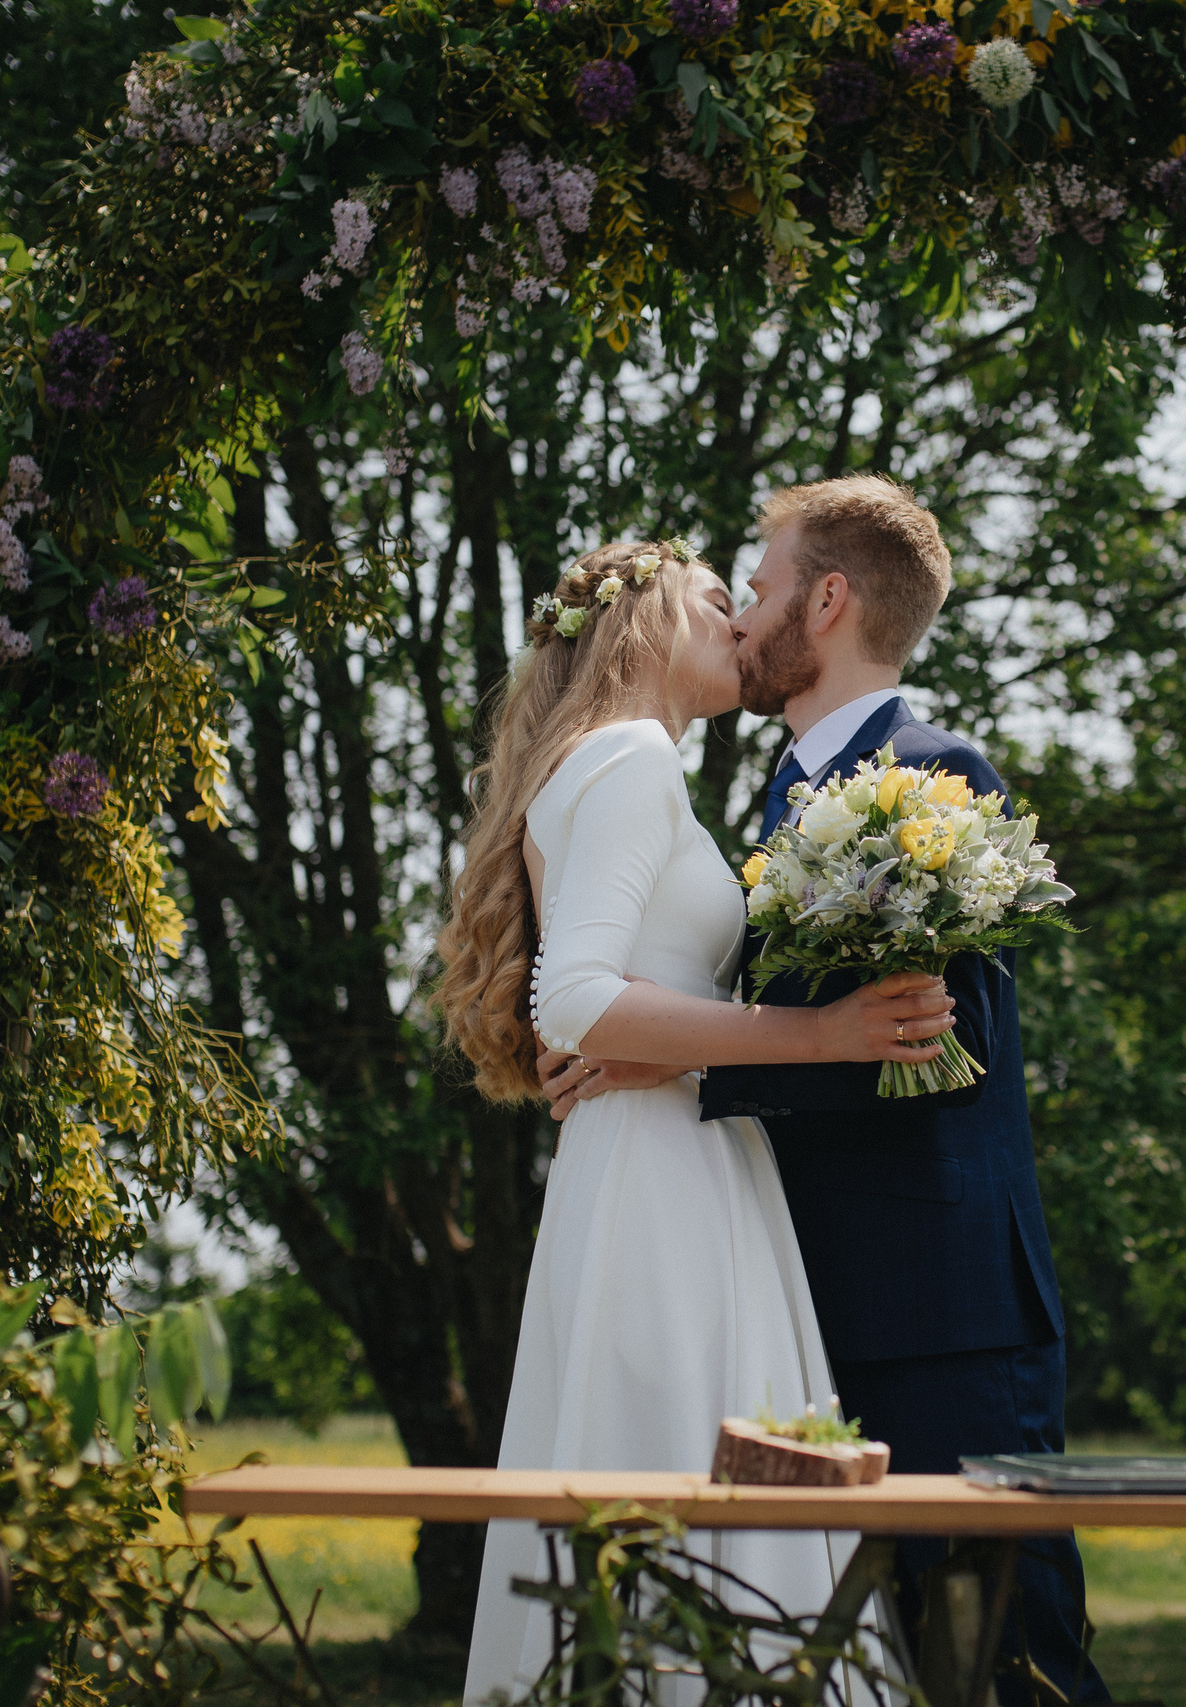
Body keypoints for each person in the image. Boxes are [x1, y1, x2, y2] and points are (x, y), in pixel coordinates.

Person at [543, 479, 1109, 1707]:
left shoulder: (934, 773)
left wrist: (689, 1058)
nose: (741, 616)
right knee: (852, 1656)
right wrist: (628, 1039)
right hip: (797, 1301)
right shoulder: (777, 798)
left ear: (828, 600)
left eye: (758, 588)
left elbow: (949, 1049)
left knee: (1009, 1658)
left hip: (943, 1313)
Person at [435, 539, 959, 1705]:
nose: (740, 623)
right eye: (719, 600)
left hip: (657, 1154)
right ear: (642, 624)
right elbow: (575, 1000)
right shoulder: (628, 756)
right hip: (663, 1178)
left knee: (673, 1481)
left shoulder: (605, 762)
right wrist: (824, 1034)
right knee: (685, 1471)